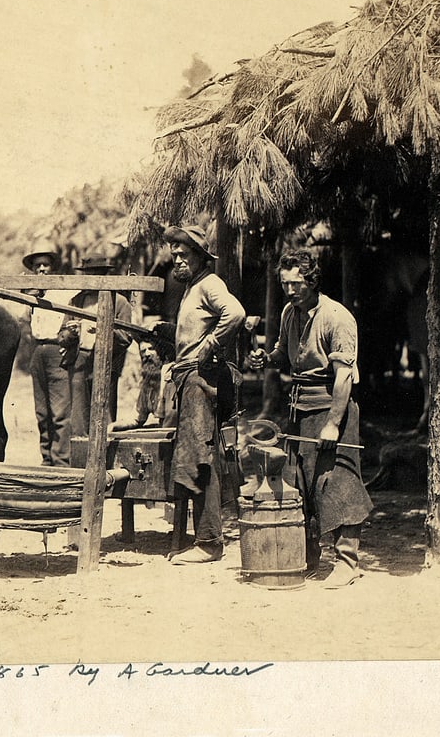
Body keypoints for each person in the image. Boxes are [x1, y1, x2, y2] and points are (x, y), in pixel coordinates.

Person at [247, 249, 373, 588]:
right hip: (298, 409)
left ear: (312, 280)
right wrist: (266, 359)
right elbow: (283, 355)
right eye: (285, 283)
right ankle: (309, 559)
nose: (289, 290)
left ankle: (348, 562)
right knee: (299, 482)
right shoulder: (291, 312)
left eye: (296, 284)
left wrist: (334, 422)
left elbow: (344, 376)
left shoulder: (337, 316)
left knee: (336, 482)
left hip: (332, 406)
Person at [158, 225, 245, 565]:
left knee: (201, 457)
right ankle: (195, 537)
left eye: (184, 254)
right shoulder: (190, 288)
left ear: (200, 257)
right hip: (188, 377)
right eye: (174, 254)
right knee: (193, 456)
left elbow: (234, 313)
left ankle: (209, 543)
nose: (177, 259)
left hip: (201, 380)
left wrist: (211, 344)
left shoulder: (209, 283)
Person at [60, 255, 133, 448]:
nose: (93, 277)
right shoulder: (76, 300)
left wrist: (104, 330)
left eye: (97, 274)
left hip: (106, 362)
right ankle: (78, 465)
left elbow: (126, 337)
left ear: (106, 274)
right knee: (78, 418)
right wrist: (72, 333)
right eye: (89, 274)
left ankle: (104, 461)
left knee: (104, 414)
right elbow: (62, 335)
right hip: (79, 361)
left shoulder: (120, 302)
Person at [22, 242, 75, 467]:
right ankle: (47, 459)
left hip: (56, 350)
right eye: (37, 267)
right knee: (42, 411)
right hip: (38, 352)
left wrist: (68, 341)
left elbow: (74, 322)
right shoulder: (30, 296)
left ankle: (61, 461)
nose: (42, 270)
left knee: (59, 411)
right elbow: (22, 320)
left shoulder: (65, 293)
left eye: (45, 265)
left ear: (53, 268)